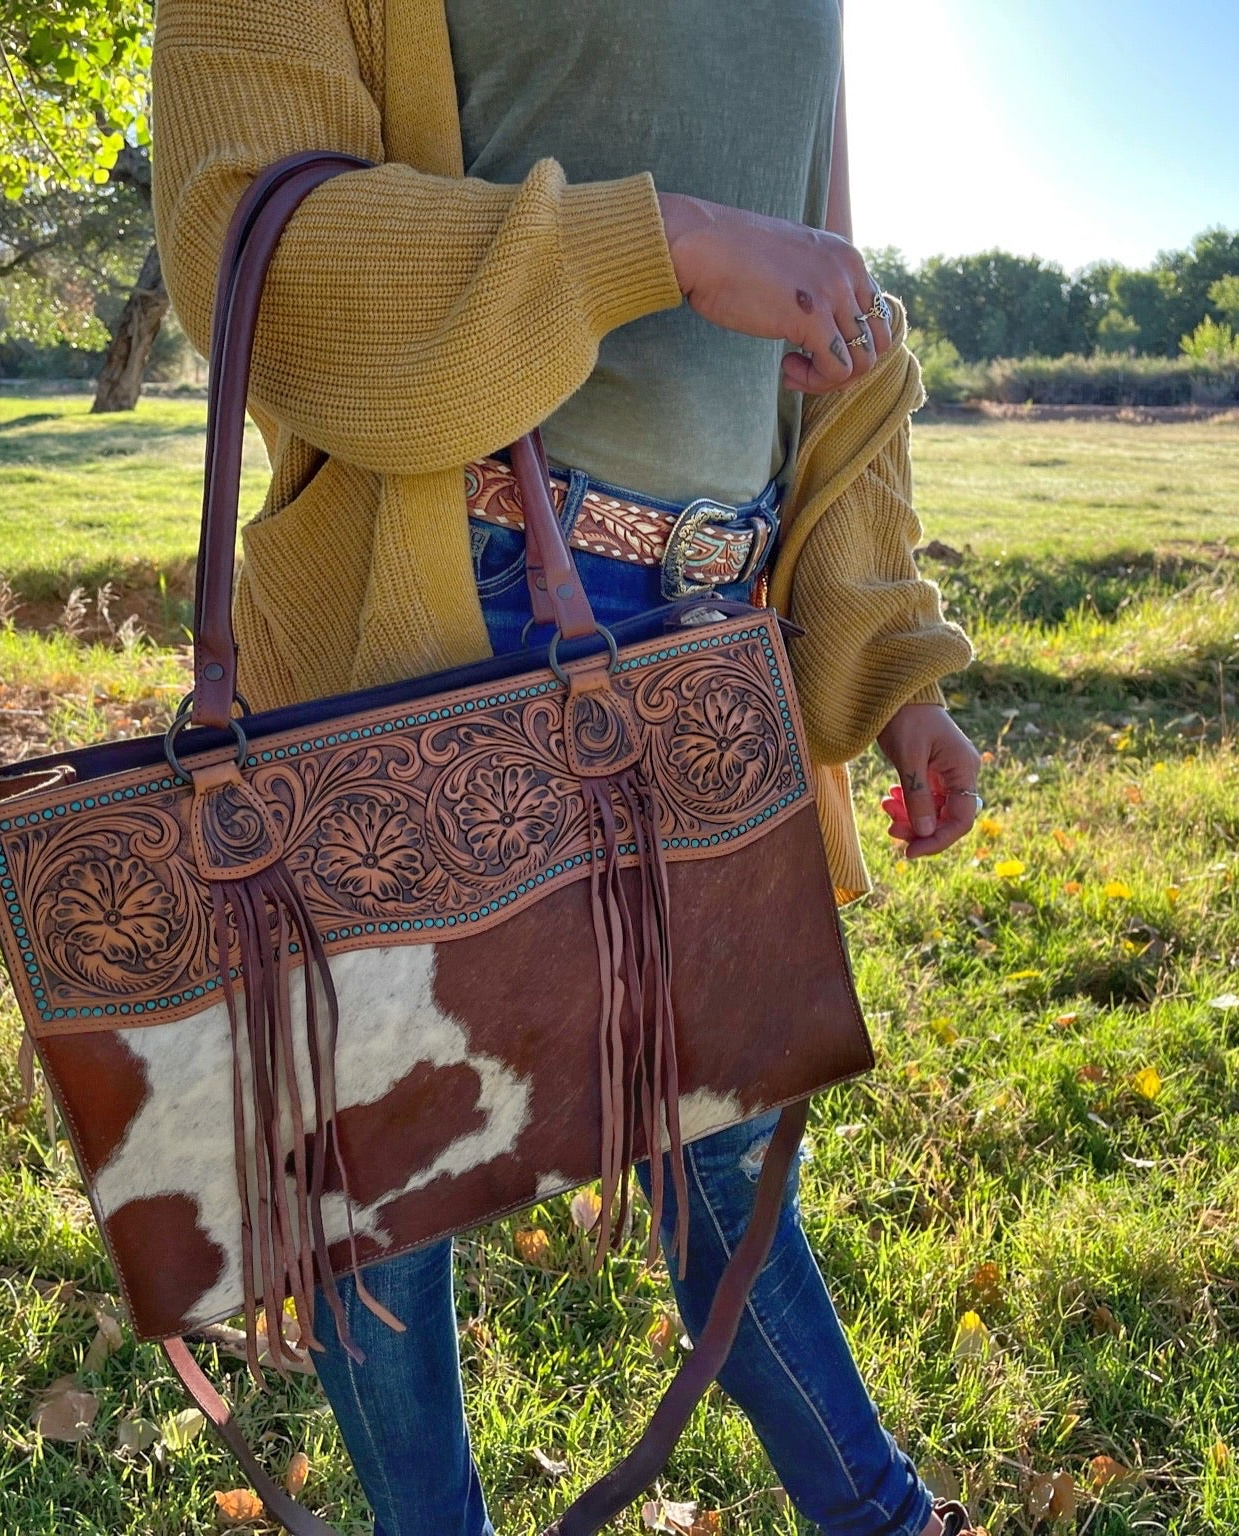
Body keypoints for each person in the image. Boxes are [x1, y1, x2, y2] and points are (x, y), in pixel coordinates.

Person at [151, 3, 984, 1533]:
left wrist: (887, 656)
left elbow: (835, 326)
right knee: (387, 1180)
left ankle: (885, 1516)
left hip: (711, 627)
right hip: (430, 592)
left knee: (720, 1138)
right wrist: (655, 245)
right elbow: (237, 238)